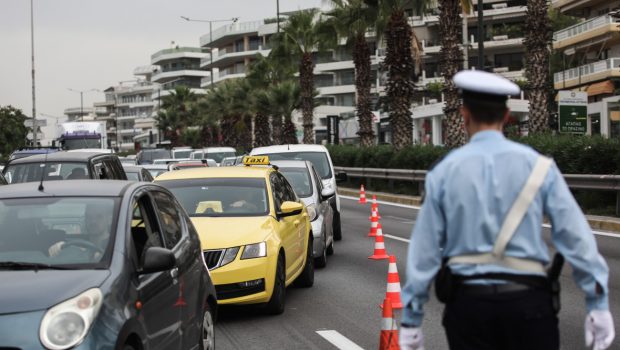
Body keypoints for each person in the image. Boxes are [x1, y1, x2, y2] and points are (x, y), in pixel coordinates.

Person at [399, 70, 614, 350]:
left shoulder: (443, 172)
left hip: (468, 307)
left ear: (464, 115)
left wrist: (411, 319)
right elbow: (576, 237)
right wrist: (597, 302)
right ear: (506, 115)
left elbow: (424, 250)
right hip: (529, 305)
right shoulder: (540, 167)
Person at [49, 202, 113, 261]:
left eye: (99, 217)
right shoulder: (79, 242)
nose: (93, 221)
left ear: (109, 220)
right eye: (88, 216)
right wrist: (59, 246)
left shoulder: (115, 244)